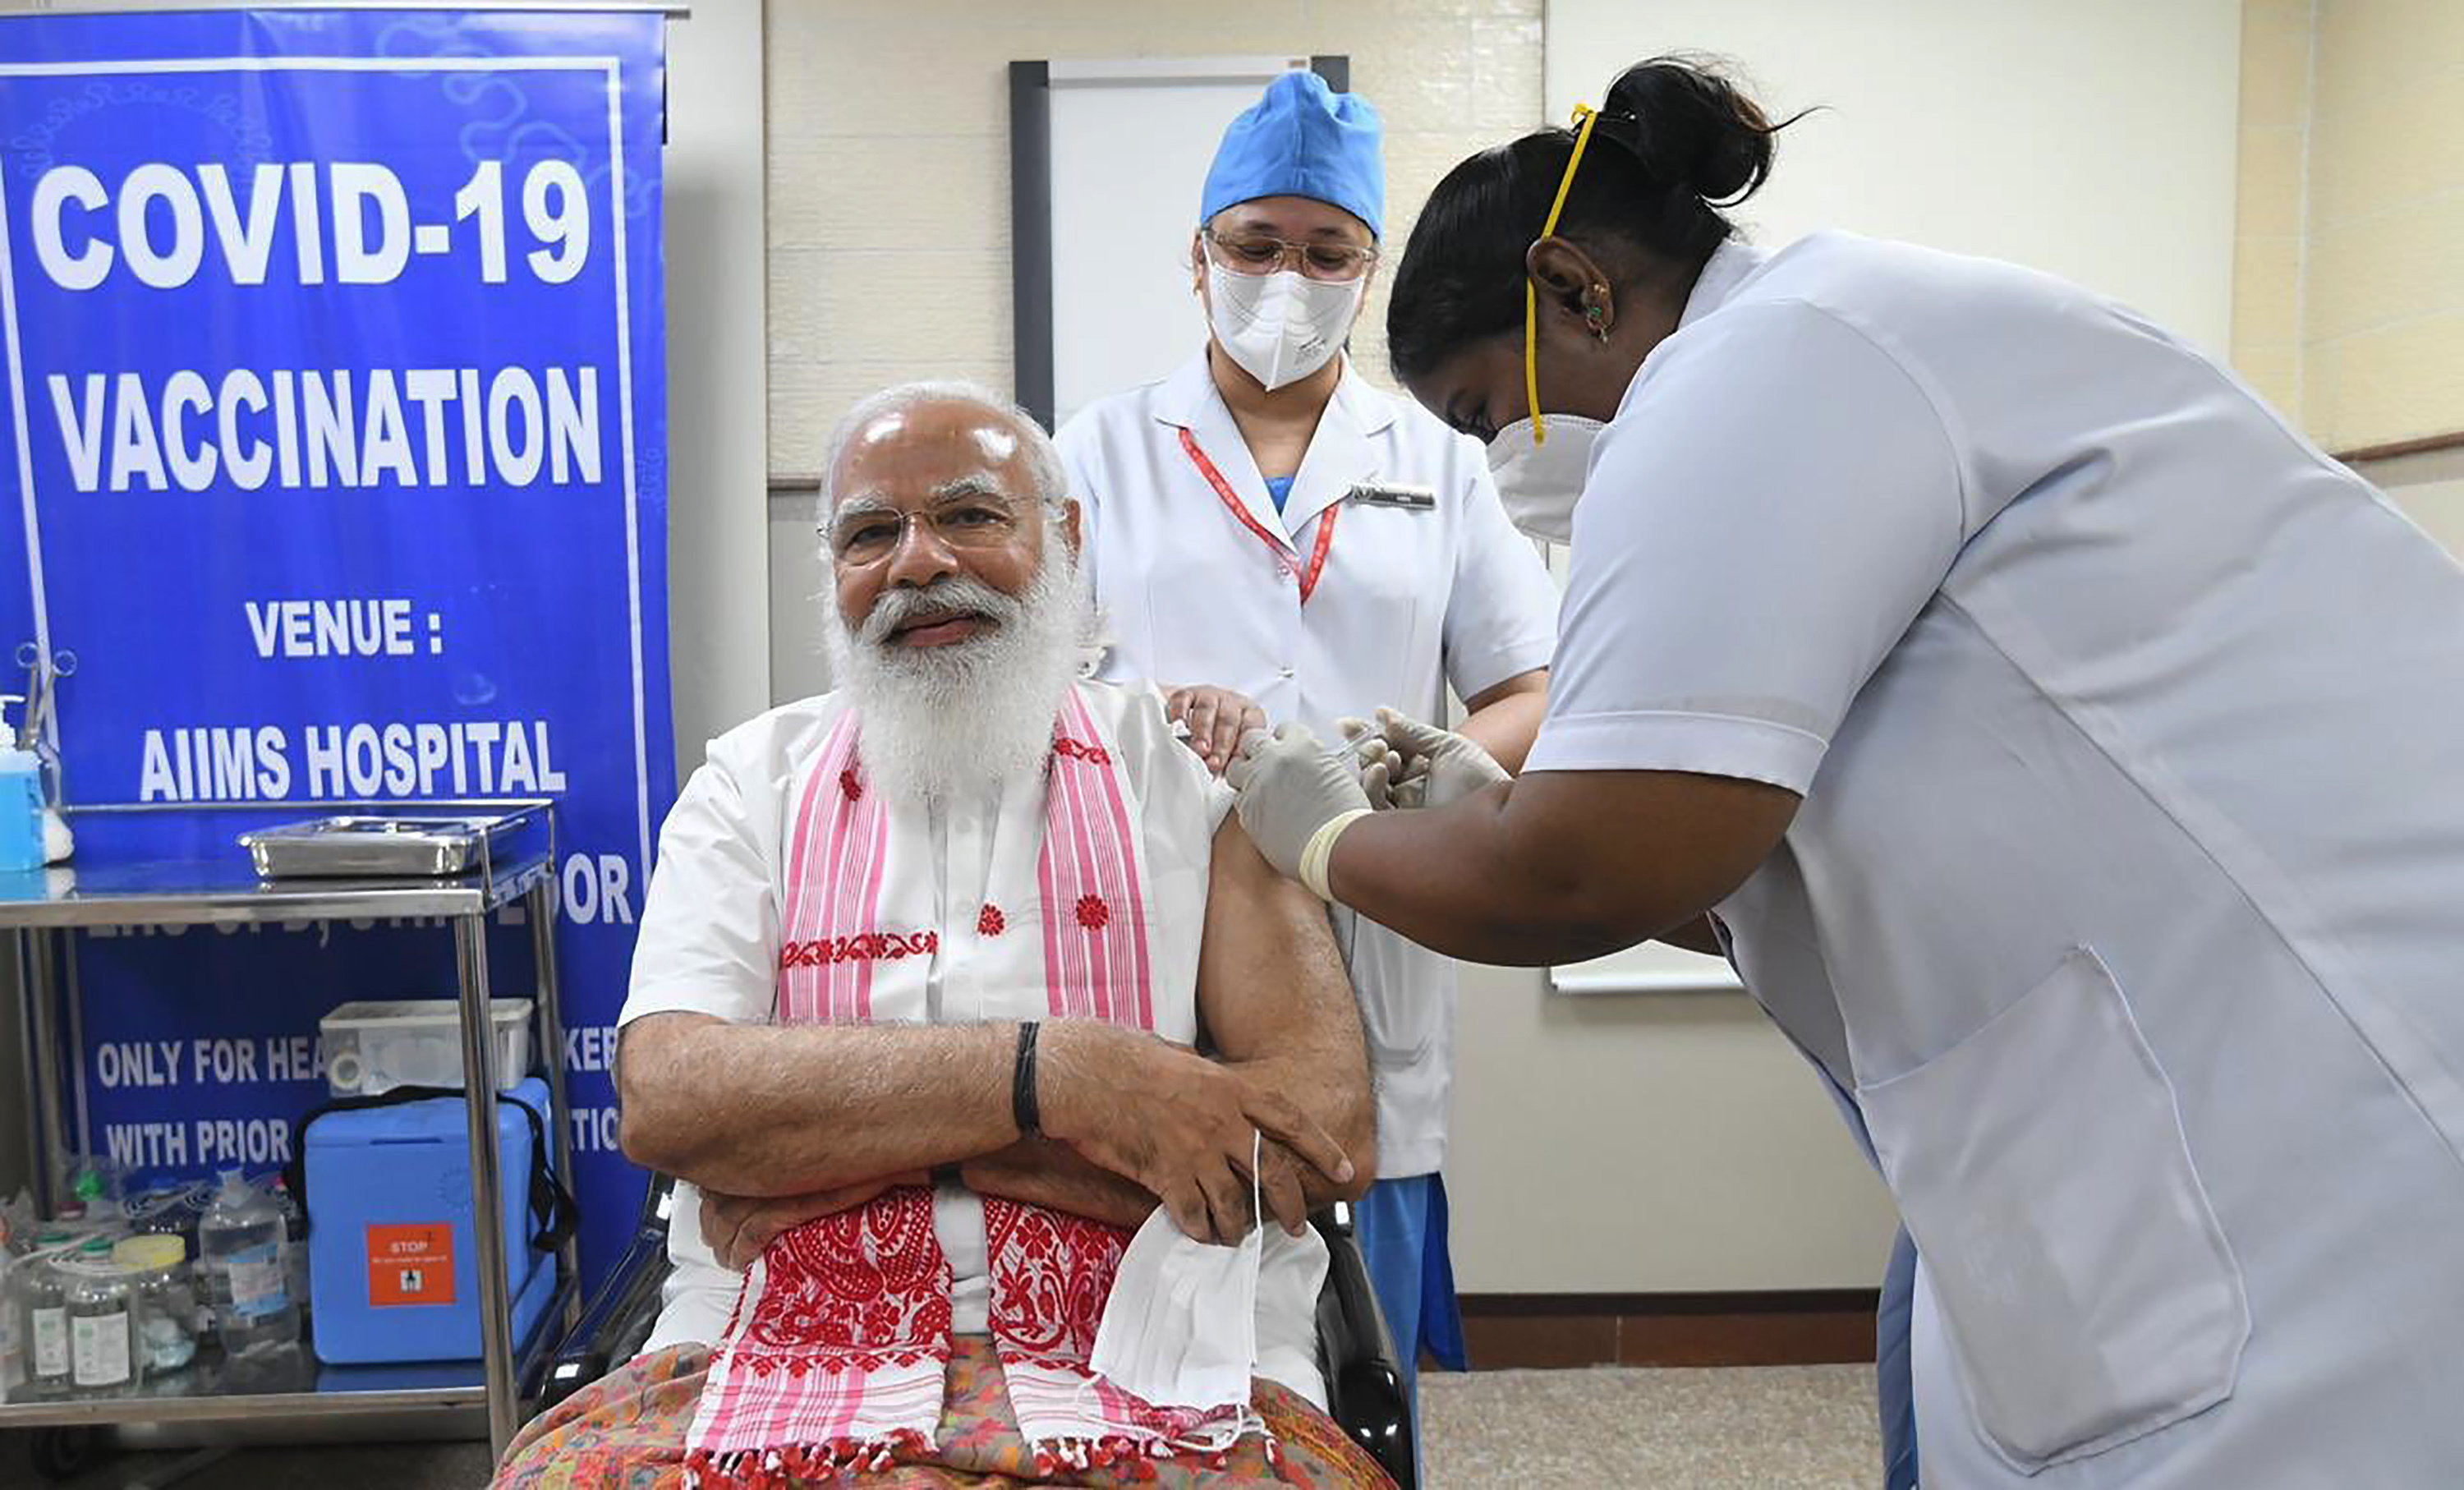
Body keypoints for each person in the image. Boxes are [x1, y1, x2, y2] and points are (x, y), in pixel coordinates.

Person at [1226, 53, 2464, 1488]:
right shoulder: (1832, 343)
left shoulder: (1761, 372)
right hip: (2102, 1086)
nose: (1504, 460)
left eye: (1485, 409)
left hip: (2302, 1115)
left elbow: (1576, 877)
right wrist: (1482, 809)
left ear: (1574, 289)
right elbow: (1736, 867)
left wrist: (1322, 834)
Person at [493, 382, 1392, 1489]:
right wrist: (1070, 1079)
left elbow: (1319, 1133)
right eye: (871, 533)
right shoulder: (747, 785)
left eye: (969, 514)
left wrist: (848, 1144)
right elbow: (672, 1100)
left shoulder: (1198, 777)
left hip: (1160, 1345)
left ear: (1064, 538)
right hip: (774, 1344)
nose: (918, 563)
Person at [1055, 70, 1559, 1412]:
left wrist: (1418, 765)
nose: (1290, 278)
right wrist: (1154, 723)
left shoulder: (1439, 458)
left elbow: (1532, 682)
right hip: (1160, 907)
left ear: (1367, 270)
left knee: (1358, 1328)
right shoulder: (1098, 452)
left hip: (1373, 901)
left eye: (1328, 252)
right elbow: (1035, 692)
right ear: (1199, 254)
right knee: (1158, 1318)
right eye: (1257, 244)